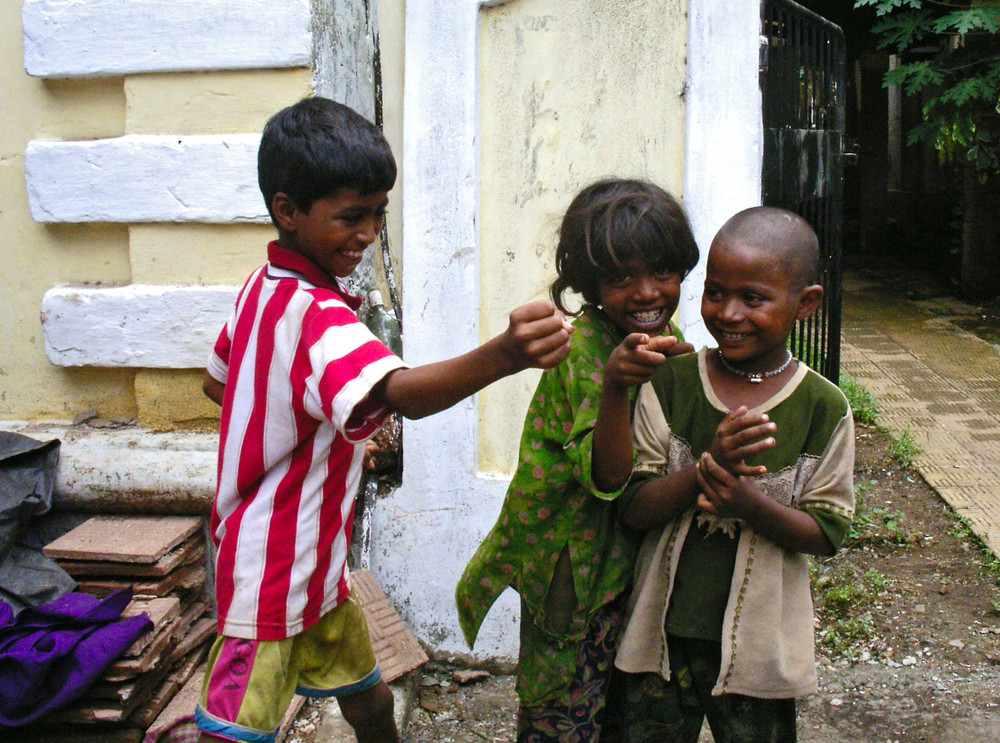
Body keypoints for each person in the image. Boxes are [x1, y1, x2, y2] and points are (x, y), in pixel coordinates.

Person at [195, 96, 573, 743]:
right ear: (288, 210)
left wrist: (312, 440)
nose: (368, 232)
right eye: (351, 216)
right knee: (231, 728)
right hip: (266, 576)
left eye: (378, 214)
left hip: (315, 566)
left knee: (366, 696)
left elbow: (217, 381)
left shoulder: (261, 287)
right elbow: (403, 393)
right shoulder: (321, 317)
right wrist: (504, 354)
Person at [593, 206, 855, 743]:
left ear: (805, 304)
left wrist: (746, 502)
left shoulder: (823, 409)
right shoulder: (673, 383)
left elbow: (828, 532)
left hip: (758, 653)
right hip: (658, 641)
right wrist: (703, 472)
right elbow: (634, 506)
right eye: (715, 292)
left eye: (753, 298)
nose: (728, 312)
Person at [456, 178, 700, 741]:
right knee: (560, 703)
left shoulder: (666, 335)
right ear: (589, 286)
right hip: (569, 558)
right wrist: (616, 386)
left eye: (662, 272)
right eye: (621, 278)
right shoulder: (583, 353)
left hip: (622, 554)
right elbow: (608, 476)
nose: (647, 292)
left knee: (618, 692)